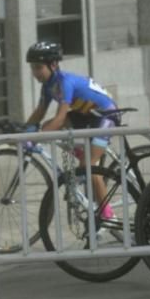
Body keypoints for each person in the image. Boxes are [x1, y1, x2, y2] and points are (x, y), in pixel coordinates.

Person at [25, 40, 119, 217]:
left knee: (90, 166)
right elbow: (39, 112)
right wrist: (25, 131)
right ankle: (83, 156)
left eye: (38, 67)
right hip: (88, 115)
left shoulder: (64, 82)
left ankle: (108, 216)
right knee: (48, 126)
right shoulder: (48, 86)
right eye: (32, 68)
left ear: (53, 65)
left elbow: (60, 117)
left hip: (107, 115)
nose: (35, 72)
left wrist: (35, 138)